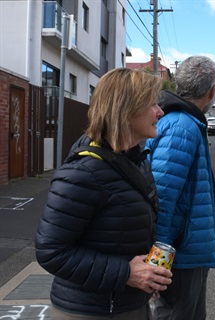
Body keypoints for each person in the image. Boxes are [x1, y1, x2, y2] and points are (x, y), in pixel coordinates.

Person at [35, 68, 172, 320]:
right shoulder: (83, 173)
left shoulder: (135, 161)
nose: (160, 112)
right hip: (90, 312)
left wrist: (146, 275)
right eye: (152, 104)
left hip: (127, 304)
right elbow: (51, 251)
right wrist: (126, 273)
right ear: (126, 109)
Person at [145, 56, 215, 320]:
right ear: (212, 90)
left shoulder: (183, 122)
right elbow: (162, 199)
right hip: (181, 257)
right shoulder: (182, 126)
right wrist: (157, 266)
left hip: (185, 252)